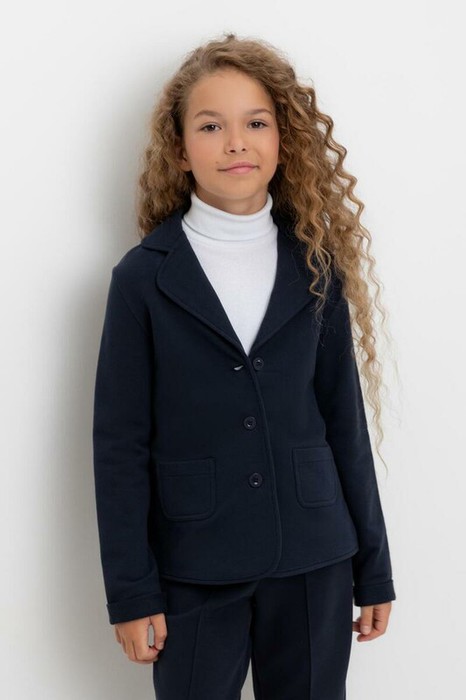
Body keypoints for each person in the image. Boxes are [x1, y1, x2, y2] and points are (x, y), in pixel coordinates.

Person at [92, 32, 397, 700]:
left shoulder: (315, 268)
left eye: (256, 123)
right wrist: (132, 592)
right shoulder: (142, 280)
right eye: (211, 126)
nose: (236, 143)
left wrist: (374, 567)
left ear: (283, 140)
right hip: (195, 564)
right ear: (180, 150)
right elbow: (119, 446)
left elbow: (345, 422)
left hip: (316, 556)